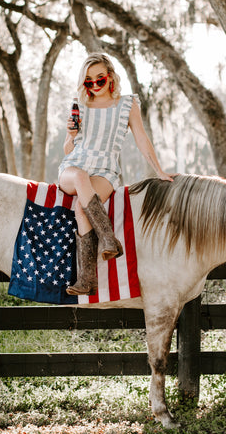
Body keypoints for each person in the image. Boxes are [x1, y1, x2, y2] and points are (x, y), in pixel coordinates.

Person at [58, 52, 174, 296]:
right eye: (89, 81)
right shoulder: (79, 104)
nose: (95, 85)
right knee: (79, 176)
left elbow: (142, 139)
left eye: (100, 78)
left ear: (110, 76)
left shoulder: (127, 104)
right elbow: (69, 149)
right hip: (74, 167)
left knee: (82, 207)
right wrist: (69, 135)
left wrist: (159, 170)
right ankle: (108, 238)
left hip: (105, 170)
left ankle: (87, 280)